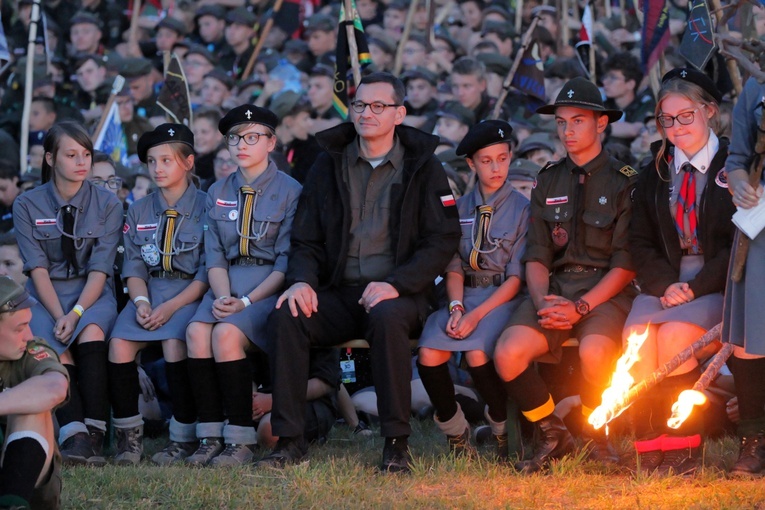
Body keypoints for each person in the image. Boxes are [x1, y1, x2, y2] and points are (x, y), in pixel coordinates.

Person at [258, 72, 461, 473]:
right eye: (360, 105)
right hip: (337, 289)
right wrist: (301, 281)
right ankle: (290, 439)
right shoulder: (327, 162)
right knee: (287, 315)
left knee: (387, 319)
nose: (367, 113)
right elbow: (306, 238)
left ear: (399, 114)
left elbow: (442, 239)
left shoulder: (423, 166)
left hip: (398, 292)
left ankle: (396, 443)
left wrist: (396, 284)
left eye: (378, 106)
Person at [493, 77, 638, 473]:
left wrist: (580, 307)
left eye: (578, 120)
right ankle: (553, 432)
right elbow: (537, 254)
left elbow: (626, 263)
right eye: (561, 122)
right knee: (508, 353)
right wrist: (543, 303)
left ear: (601, 123)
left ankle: (598, 434)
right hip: (555, 289)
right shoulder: (548, 178)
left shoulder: (625, 179)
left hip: (603, 292)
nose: (567, 130)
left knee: (594, 353)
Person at [624, 68, 735, 475]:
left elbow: (737, 244)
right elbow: (640, 241)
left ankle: (683, 444)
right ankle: (649, 442)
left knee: (673, 338)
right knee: (636, 337)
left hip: (717, 280)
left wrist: (692, 288)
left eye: (685, 116)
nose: (675, 127)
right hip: (665, 280)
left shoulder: (734, 164)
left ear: (709, 111)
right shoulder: (654, 168)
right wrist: (665, 284)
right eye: (666, 120)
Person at [185, 104, 302, 467]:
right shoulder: (216, 189)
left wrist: (246, 301)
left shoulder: (290, 190)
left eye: (252, 137)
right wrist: (222, 296)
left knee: (224, 336)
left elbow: (286, 261)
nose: (241, 145)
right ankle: (208, 433)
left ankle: (239, 437)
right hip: (225, 282)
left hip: (266, 285)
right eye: (234, 138)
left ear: (271, 142)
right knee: (195, 332)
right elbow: (214, 255)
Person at [417, 120, 529, 461]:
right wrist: (455, 308)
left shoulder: (523, 208)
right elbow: (453, 266)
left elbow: (515, 278)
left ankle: (499, 425)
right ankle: (456, 431)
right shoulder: (458, 208)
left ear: (510, 157)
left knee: (477, 353)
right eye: (486, 160)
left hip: (501, 299)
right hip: (462, 296)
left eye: (502, 158)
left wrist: (476, 314)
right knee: (429, 353)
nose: (496, 168)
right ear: (471, 164)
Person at [13, 121, 123, 465]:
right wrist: (60, 315)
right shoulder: (27, 203)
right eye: (71, 154)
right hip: (46, 294)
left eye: (86, 154)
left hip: (91, 293)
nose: (82, 162)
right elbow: (37, 268)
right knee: (51, 341)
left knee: (89, 332)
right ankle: (74, 433)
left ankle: (95, 430)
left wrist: (75, 313)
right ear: (50, 158)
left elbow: (100, 269)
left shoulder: (107, 203)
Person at [107, 124, 209, 466]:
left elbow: (208, 271)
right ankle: (128, 437)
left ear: (189, 162)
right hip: (149, 294)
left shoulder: (207, 206)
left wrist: (170, 307)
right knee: (119, 344)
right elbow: (133, 267)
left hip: (189, 294)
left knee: (173, 343)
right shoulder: (139, 209)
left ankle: (182, 436)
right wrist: (142, 303)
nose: (158, 168)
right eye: (152, 162)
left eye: (167, 160)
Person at [722, 73, 765, 477]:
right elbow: (736, 159)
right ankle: (753, 442)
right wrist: (741, 187)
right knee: (753, 340)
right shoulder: (755, 85)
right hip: (762, 226)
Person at [0, 277, 68, 510]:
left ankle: (12, 504)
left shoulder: (31, 350)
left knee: (31, 407)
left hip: (27, 483)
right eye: (19, 328)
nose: (29, 335)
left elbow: (55, 387)